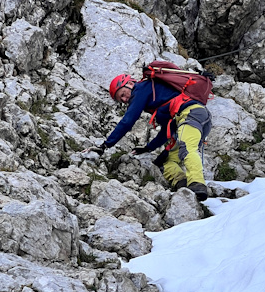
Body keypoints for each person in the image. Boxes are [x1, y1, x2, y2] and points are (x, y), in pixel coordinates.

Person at [91, 71, 212, 201]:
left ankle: (198, 184)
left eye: (123, 94)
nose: (125, 100)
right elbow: (167, 130)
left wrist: (105, 145)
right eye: (122, 100)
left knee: (187, 148)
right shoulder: (159, 100)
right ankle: (182, 184)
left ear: (130, 83)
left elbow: (128, 121)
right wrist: (148, 148)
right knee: (166, 162)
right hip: (196, 119)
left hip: (191, 114)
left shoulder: (141, 88)